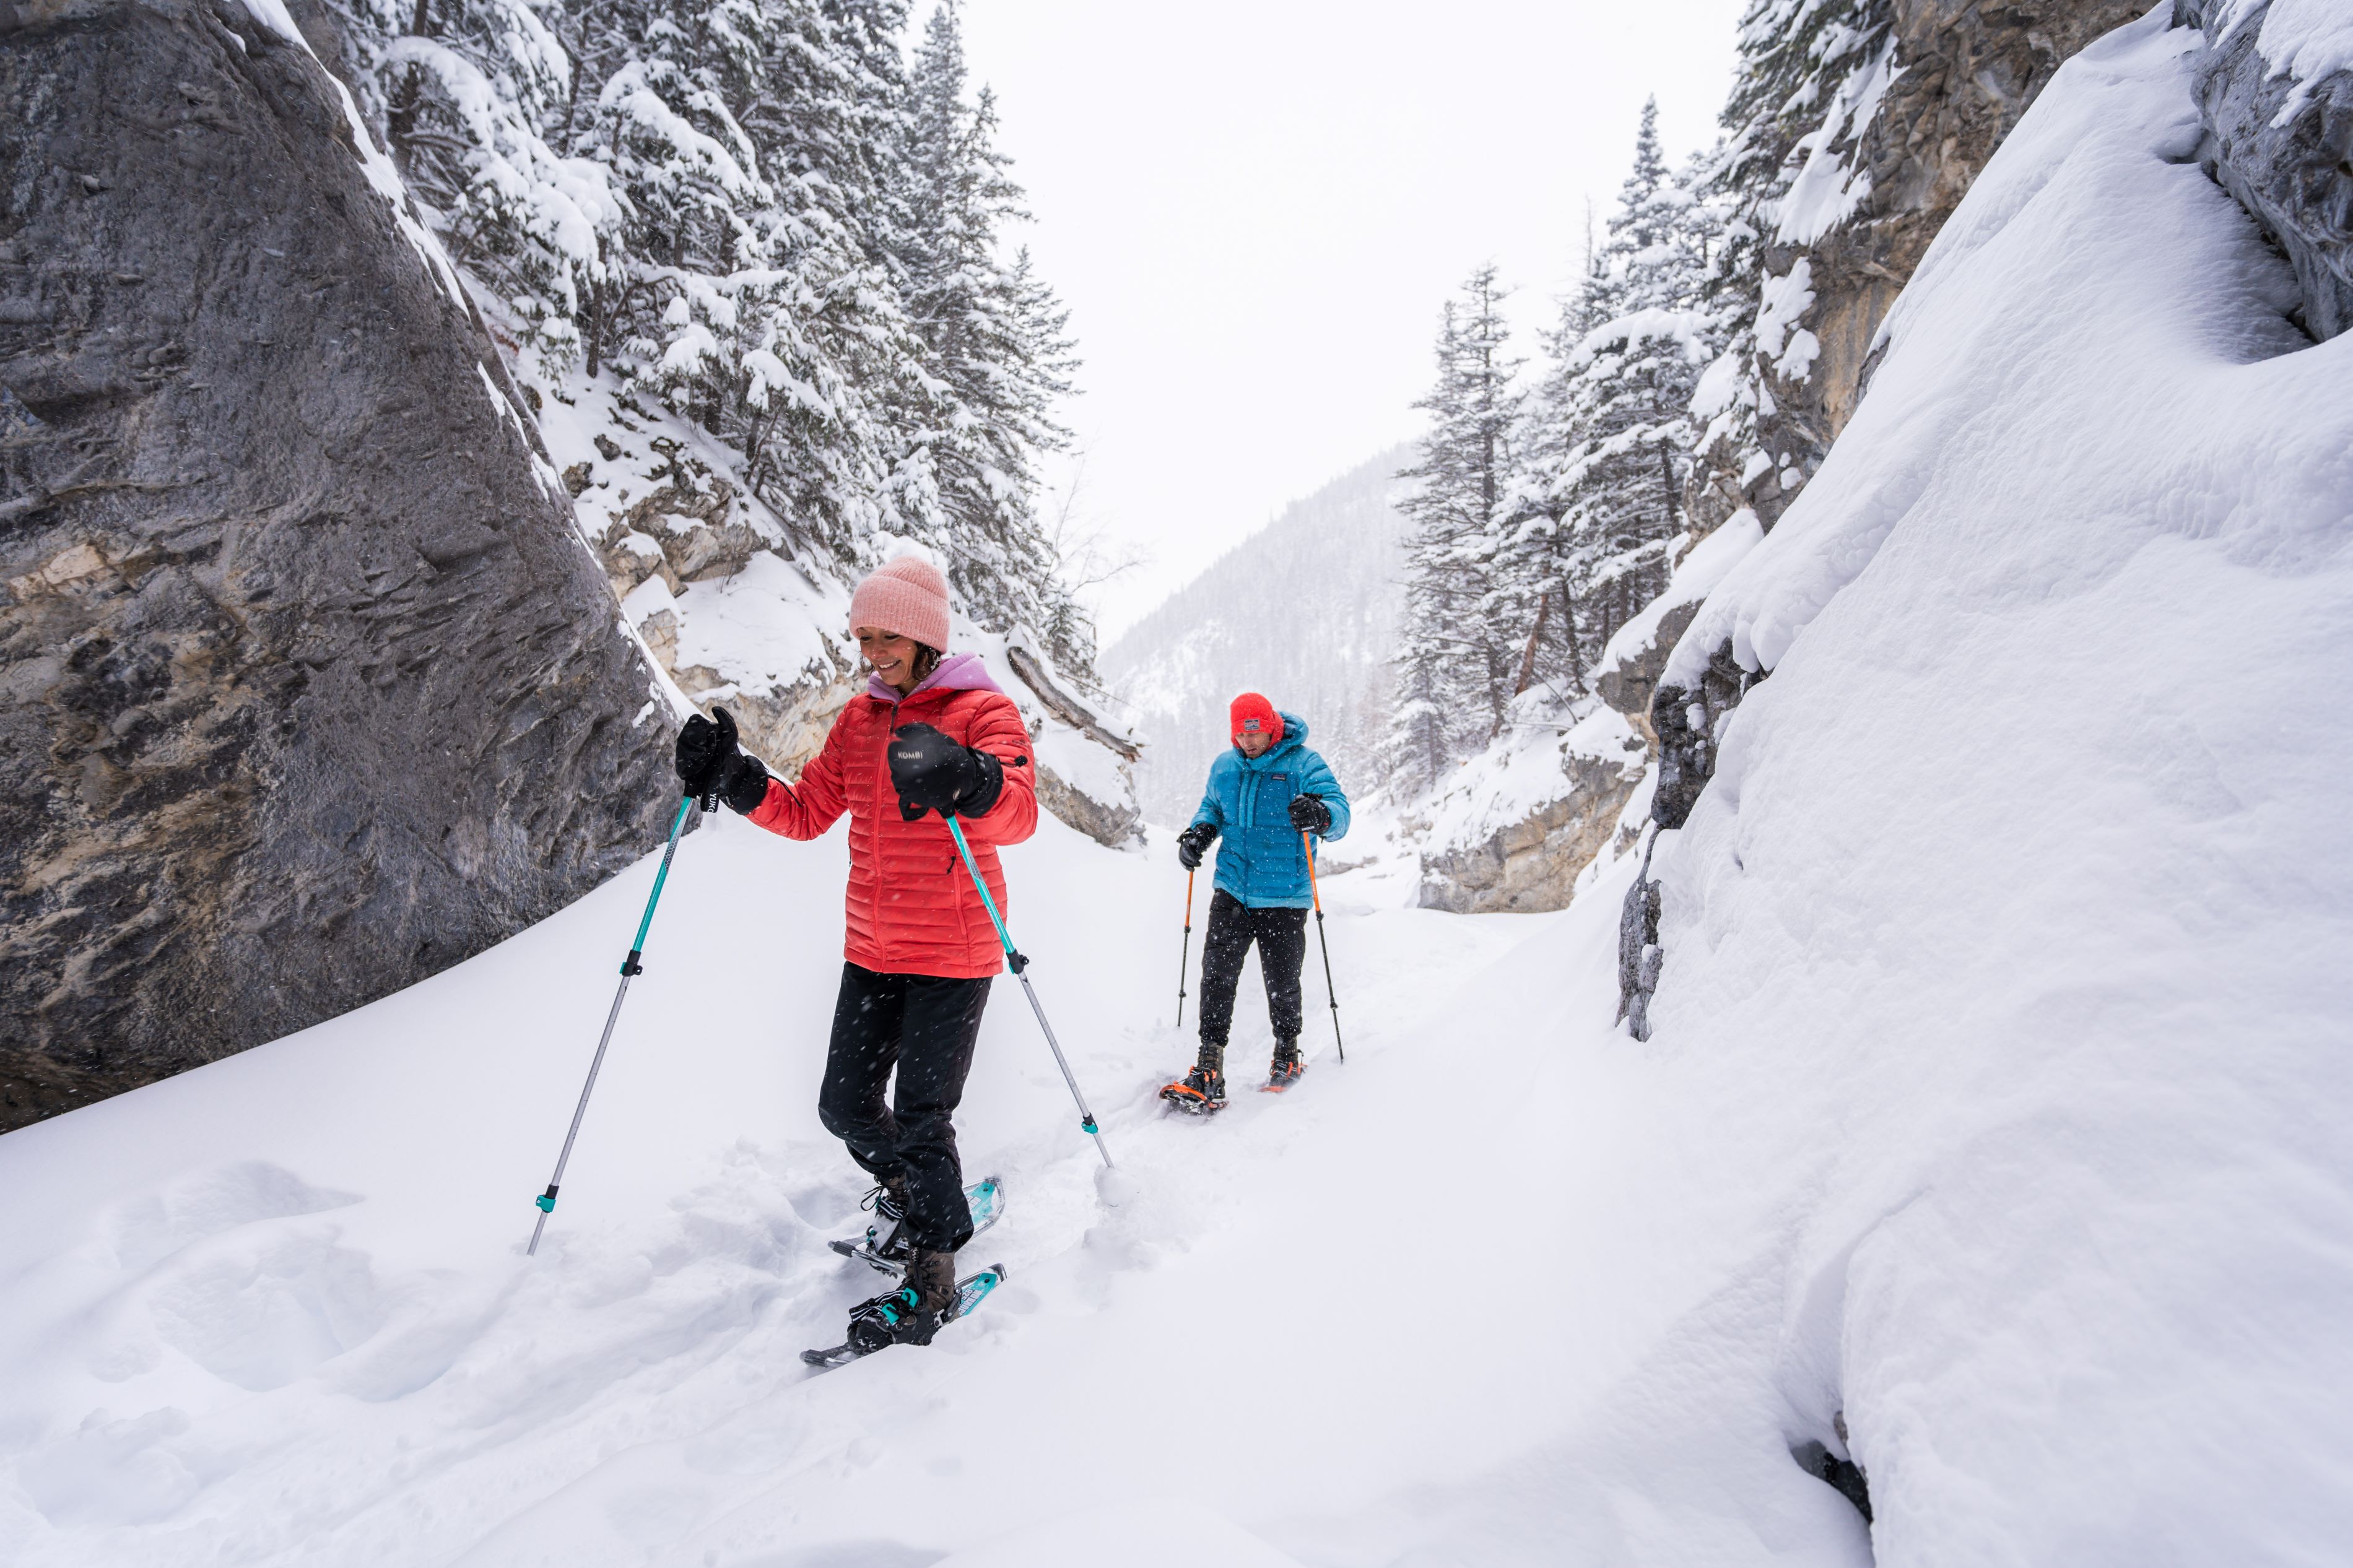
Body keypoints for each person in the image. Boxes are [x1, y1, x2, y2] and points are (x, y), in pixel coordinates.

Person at [673, 555, 1037, 1352]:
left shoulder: (982, 710)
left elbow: (1018, 813)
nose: (871, 652)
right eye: (862, 636)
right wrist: (732, 778)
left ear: (924, 635)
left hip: (954, 947)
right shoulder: (860, 720)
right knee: (842, 1104)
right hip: (873, 946)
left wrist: (966, 776)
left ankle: (933, 1275)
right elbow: (805, 811)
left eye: (886, 637)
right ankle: (910, 1197)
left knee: (920, 1116)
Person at [1162, 693, 1350, 1110]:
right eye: (1241, 734)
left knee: (1282, 980)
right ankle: (1209, 1066)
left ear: (1271, 727)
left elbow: (1340, 813)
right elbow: (1212, 807)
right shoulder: (1225, 767)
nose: (1249, 743)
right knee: (1217, 975)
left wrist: (1320, 815)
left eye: (1256, 733)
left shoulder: (1303, 764)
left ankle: (1287, 1052)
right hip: (1232, 887)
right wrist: (1199, 834)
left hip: (1285, 894)